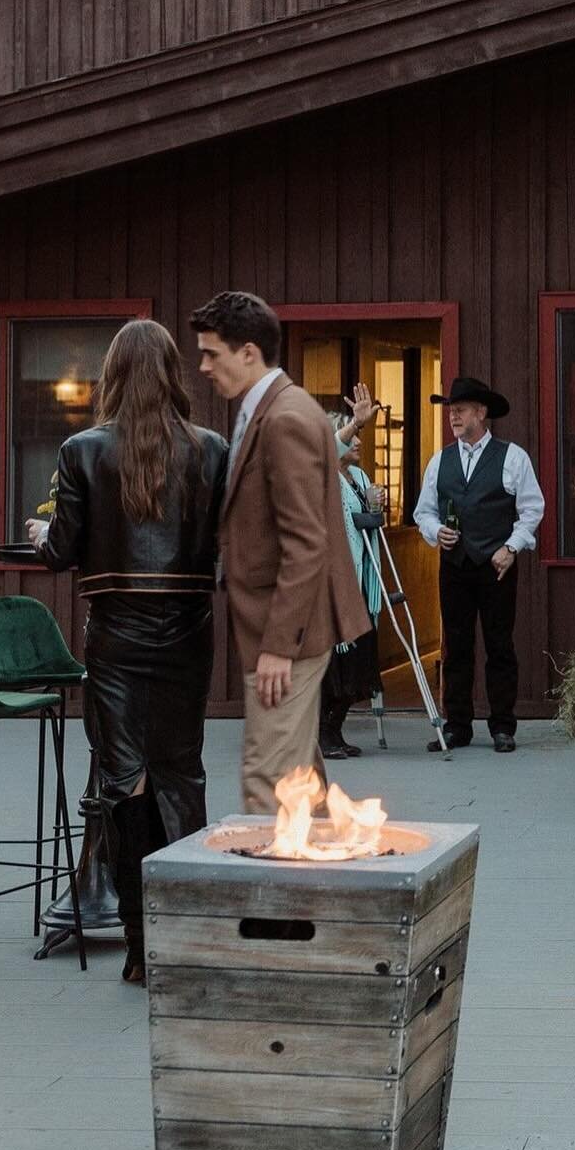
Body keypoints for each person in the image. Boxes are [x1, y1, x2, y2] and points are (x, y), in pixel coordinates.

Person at [29, 319, 226, 985]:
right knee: (183, 774)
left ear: (113, 376)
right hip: (188, 631)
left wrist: (42, 531)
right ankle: (188, 939)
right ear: (174, 374)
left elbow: (60, 553)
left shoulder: (84, 450)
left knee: (125, 783)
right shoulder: (211, 450)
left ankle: (143, 950)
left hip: (115, 635)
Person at [190, 292, 370, 814]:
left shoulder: (286, 417)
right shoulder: (272, 407)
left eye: (211, 354)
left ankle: (271, 892)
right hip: (282, 629)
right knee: (302, 784)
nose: (202, 366)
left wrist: (278, 646)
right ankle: (328, 889)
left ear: (248, 353)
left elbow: (306, 541)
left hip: (288, 632)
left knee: (268, 784)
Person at [413, 376, 544, 753]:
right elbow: (424, 512)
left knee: (500, 644)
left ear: (481, 413)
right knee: (456, 645)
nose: (453, 416)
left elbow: (532, 508)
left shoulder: (512, 456)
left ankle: (502, 726)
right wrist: (437, 531)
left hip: (496, 563)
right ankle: (457, 726)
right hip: (454, 565)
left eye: (460, 410)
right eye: (451, 411)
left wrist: (512, 547)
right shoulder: (441, 461)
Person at [321, 398, 386, 760]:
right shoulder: (322, 473)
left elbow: (367, 521)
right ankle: (321, 735)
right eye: (352, 435)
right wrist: (354, 424)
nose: (360, 441)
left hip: (362, 578)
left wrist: (376, 507)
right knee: (333, 662)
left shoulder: (359, 477)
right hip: (332, 581)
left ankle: (335, 730)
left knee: (359, 658)